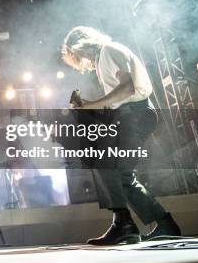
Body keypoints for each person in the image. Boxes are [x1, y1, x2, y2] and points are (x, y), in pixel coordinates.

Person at [61, 26, 181, 245]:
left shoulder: (108, 51)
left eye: (76, 55)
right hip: (134, 114)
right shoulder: (106, 56)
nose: (80, 61)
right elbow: (120, 97)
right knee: (122, 176)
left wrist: (90, 105)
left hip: (135, 114)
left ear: (81, 45)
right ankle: (164, 224)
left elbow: (127, 88)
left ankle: (123, 225)